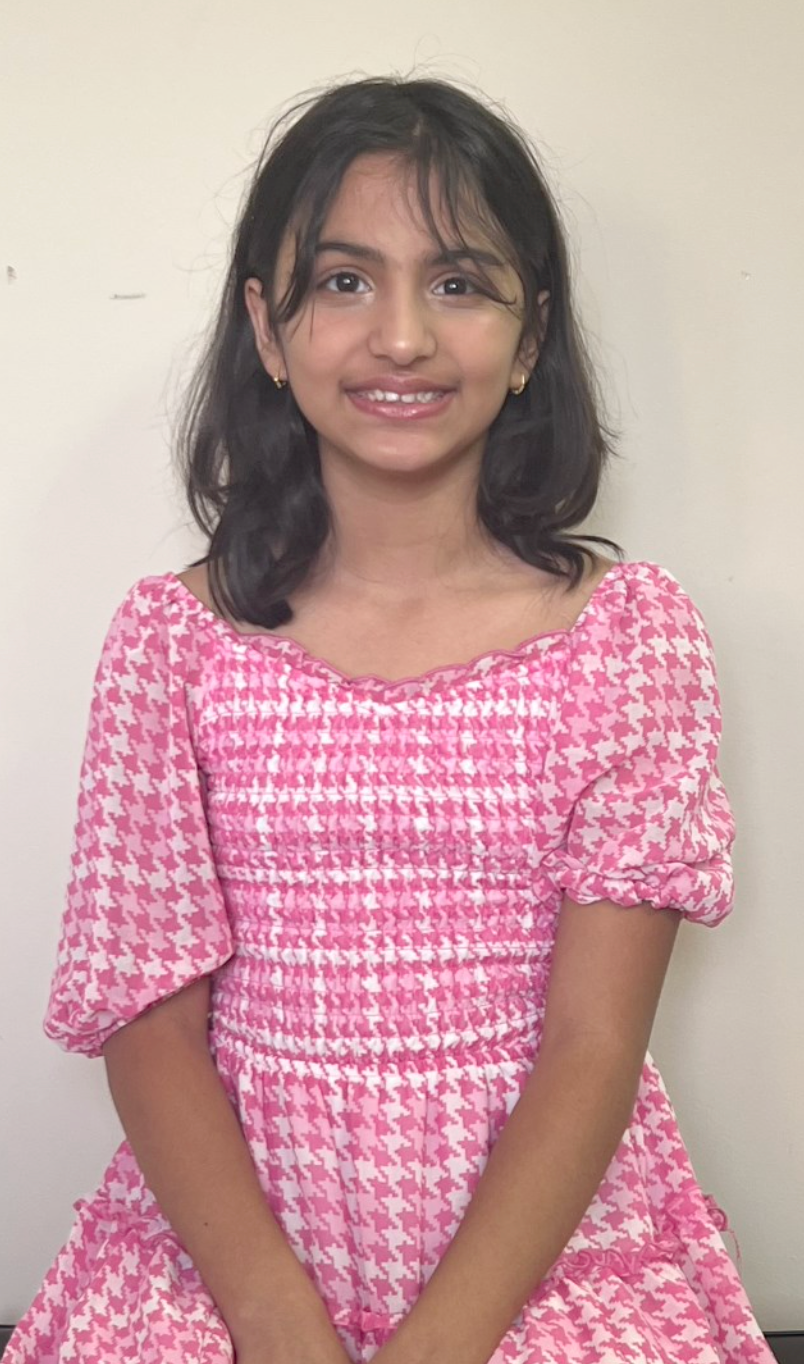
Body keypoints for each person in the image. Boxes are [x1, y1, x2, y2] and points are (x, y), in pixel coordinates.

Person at [6, 75, 774, 1364]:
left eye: (459, 282)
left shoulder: (626, 638)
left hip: (544, 1253)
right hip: (231, 1252)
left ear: (530, 339)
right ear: (267, 325)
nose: (402, 337)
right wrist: (275, 1322)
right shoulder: (173, 644)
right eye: (346, 281)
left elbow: (593, 1044)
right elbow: (148, 1020)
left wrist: (442, 1343)